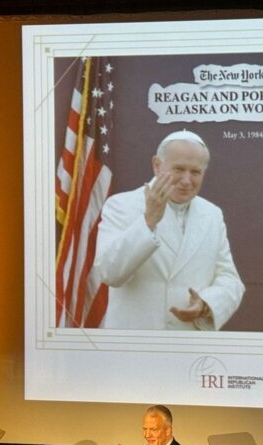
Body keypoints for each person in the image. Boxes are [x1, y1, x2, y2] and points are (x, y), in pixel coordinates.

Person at [94, 130, 244, 330]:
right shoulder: (122, 205)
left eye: (195, 172)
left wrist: (206, 305)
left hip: (189, 344)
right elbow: (110, 273)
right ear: (157, 165)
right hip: (135, 343)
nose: (186, 180)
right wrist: (148, 221)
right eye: (179, 169)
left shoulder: (212, 214)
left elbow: (229, 279)